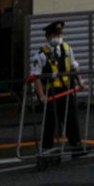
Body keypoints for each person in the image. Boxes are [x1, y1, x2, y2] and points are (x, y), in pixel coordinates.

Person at [30, 20, 84, 156]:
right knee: (50, 120)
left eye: (59, 34)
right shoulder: (41, 55)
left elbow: (74, 67)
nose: (58, 37)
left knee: (72, 118)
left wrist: (80, 82)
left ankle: (76, 145)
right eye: (55, 34)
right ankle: (47, 148)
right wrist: (41, 96)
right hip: (51, 93)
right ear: (48, 37)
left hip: (66, 90)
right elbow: (35, 77)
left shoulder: (67, 49)